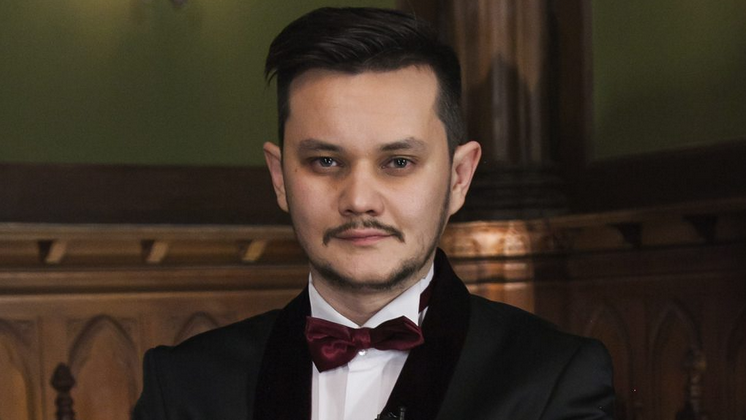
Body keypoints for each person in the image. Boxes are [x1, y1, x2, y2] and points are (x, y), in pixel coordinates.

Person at [132, 7, 614, 420]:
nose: (360, 199)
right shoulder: (183, 385)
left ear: (458, 177)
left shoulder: (554, 377)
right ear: (280, 177)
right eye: (326, 161)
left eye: (398, 162)